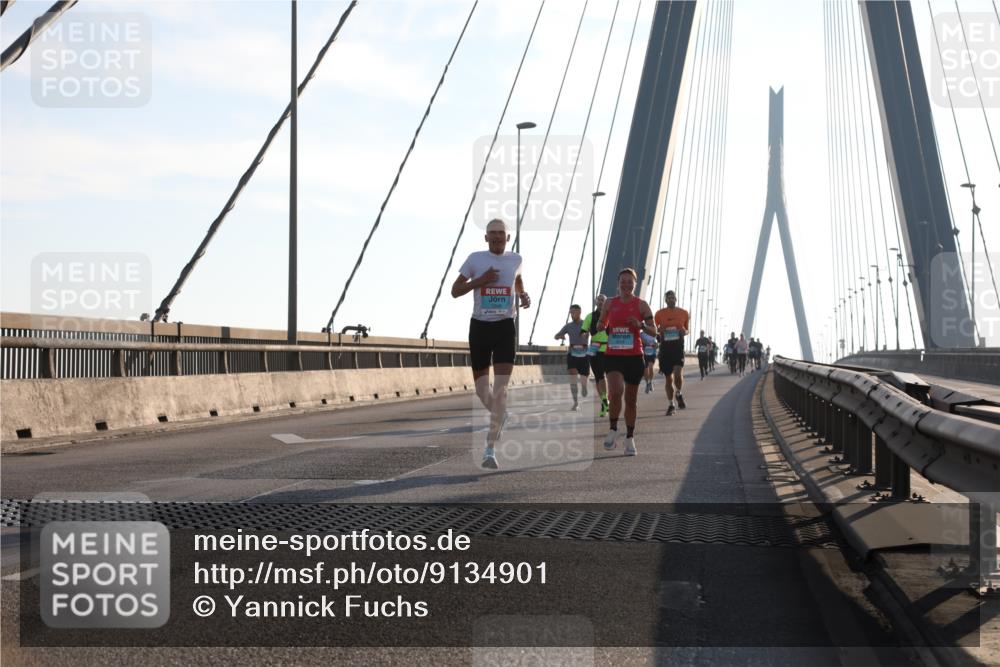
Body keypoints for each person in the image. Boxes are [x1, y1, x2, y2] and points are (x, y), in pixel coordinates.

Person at [451, 218, 530, 469]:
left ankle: (489, 449)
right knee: (482, 392)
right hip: (480, 327)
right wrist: (480, 280)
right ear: (486, 237)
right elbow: (455, 290)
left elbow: (517, 282)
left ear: (508, 238)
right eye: (492, 233)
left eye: (501, 233)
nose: (497, 237)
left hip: (506, 328)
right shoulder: (475, 259)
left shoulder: (516, 259)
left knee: (500, 391)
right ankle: (501, 415)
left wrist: (523, 295)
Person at [597, 268, 656, 456]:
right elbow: (602, 323)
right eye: (623, 281)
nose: (626, 284)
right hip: (613, 355)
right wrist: (600, 325)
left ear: (635, 284)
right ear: (618, 283)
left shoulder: (642, 305)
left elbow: (654, 331)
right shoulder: (609, 303)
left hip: (634, 357)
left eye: (630, 281)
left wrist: (640, 325)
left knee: (631, 400)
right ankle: (614, 429)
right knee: (615, 391)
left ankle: (630, 438)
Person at [654, 289, 689, 416]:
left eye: (673, 297)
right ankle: (671, 404)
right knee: (668, 379)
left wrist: (683, 331)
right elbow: (655, 329)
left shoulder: (684, 313)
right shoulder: (659, 314)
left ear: (676, 299)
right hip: (665, 349)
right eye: (668, 298)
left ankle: (678, 392)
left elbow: (687, 330)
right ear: (665, 300)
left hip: (678, 348)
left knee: (678, 374)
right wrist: (659, 330)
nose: (671, 300)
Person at [555, 305, 590, 411]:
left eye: (573, 312)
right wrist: (560, 336)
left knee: (583, 379)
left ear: (579, 312)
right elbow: (556, 335)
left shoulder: (586, 324)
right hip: (572, 354)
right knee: (573, 379)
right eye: (570, 313)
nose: (572, 315)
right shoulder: (568, 326)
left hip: (584, 355)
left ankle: (584, 387)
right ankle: (575, 402)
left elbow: (596, 333)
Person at [581, 295, 610, 417]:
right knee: (598, 378)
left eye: (602, 300)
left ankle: (605, 401)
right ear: (596, 302)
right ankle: (604, 402)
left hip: (608, 349)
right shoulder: (590, 316)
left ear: (606, 303)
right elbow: (583, 330)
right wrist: (585, 334)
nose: (600, 302)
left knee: (604, 377)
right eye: (598, 300)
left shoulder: (611, 315)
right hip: (594, 350)